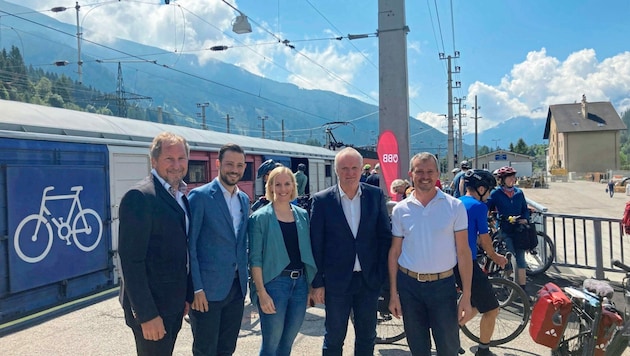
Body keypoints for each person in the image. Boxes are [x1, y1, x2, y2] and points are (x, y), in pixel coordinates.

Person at [388, 152, 473, 356]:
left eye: (429, 171)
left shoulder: (455, 206)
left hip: (443, 287)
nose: (425, 176)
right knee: (418, 348)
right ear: (411, 174)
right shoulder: (400, 209)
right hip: (409, 288)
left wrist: (467, 296)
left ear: (437, 173)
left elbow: (463, 252)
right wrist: (393, 294)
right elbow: (394, 252)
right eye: (419, 171)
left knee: (448, 348)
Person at [309, 147, 391, 356]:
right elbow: (316, 244)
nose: (350, 173)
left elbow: (384, 238)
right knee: (334, 338)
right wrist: (317, 282)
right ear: (337, 170)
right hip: (336, 282)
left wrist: (383, 276)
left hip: (368, 280)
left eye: (354, 167)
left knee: (367, 337)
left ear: (362, 169)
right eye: (344, 168)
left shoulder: (375, 196)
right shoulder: (322, 200)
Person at [118, 132, 193, 356]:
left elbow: (182, 251)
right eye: (169, 159)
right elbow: (131, 261)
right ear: (154, 161)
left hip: (173, 303)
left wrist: (185, 295)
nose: (176, 165)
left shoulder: (179, 195)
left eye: (181, 159)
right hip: (152, 310)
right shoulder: (140, 197)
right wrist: (147, 315)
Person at [187, 143, 250, 356]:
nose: (235, 169)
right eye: (230, 164)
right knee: (205, 350)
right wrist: (196, 289)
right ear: (218, 164)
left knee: (227, 349)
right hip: (207, 292)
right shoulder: (200, 197)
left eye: (240, 165)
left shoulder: (244, 199)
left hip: (236, 288)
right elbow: (190, 246)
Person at [248, 166, 317, 356]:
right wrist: (261, 293)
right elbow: (255, 259)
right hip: (274, 285)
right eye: (277, 184)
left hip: (300, 285)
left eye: (287, 184)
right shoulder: (259, 218)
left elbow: (307, 252)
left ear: (293, 186)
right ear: (270, 187)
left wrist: (310, 287)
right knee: (270, 346)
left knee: (286, 344)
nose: (282, 189)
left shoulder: (302, 215)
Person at [458, 169, 509, 356]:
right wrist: (496, 257)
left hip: (451, 261)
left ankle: (450, 331)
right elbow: (485, 239)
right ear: (480, 189)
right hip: (466, 262)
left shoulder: (457, 202)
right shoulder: (479, 207)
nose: (489, 195)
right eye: (488, 191)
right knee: (492, 308)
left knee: (479, 302)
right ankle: (483, 350)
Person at [486, 166, 530, 293]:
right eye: (509, 177)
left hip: (519, 230)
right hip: (504, 229)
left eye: (513, 177)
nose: (512, 179)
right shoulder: (495, 193)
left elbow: (525, 209)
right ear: (502, 180)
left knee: (521, 259)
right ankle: (508, 283)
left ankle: (522, 289)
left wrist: (525, 218)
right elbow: (486, 207)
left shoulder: (519, 193)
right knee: (509, 257)